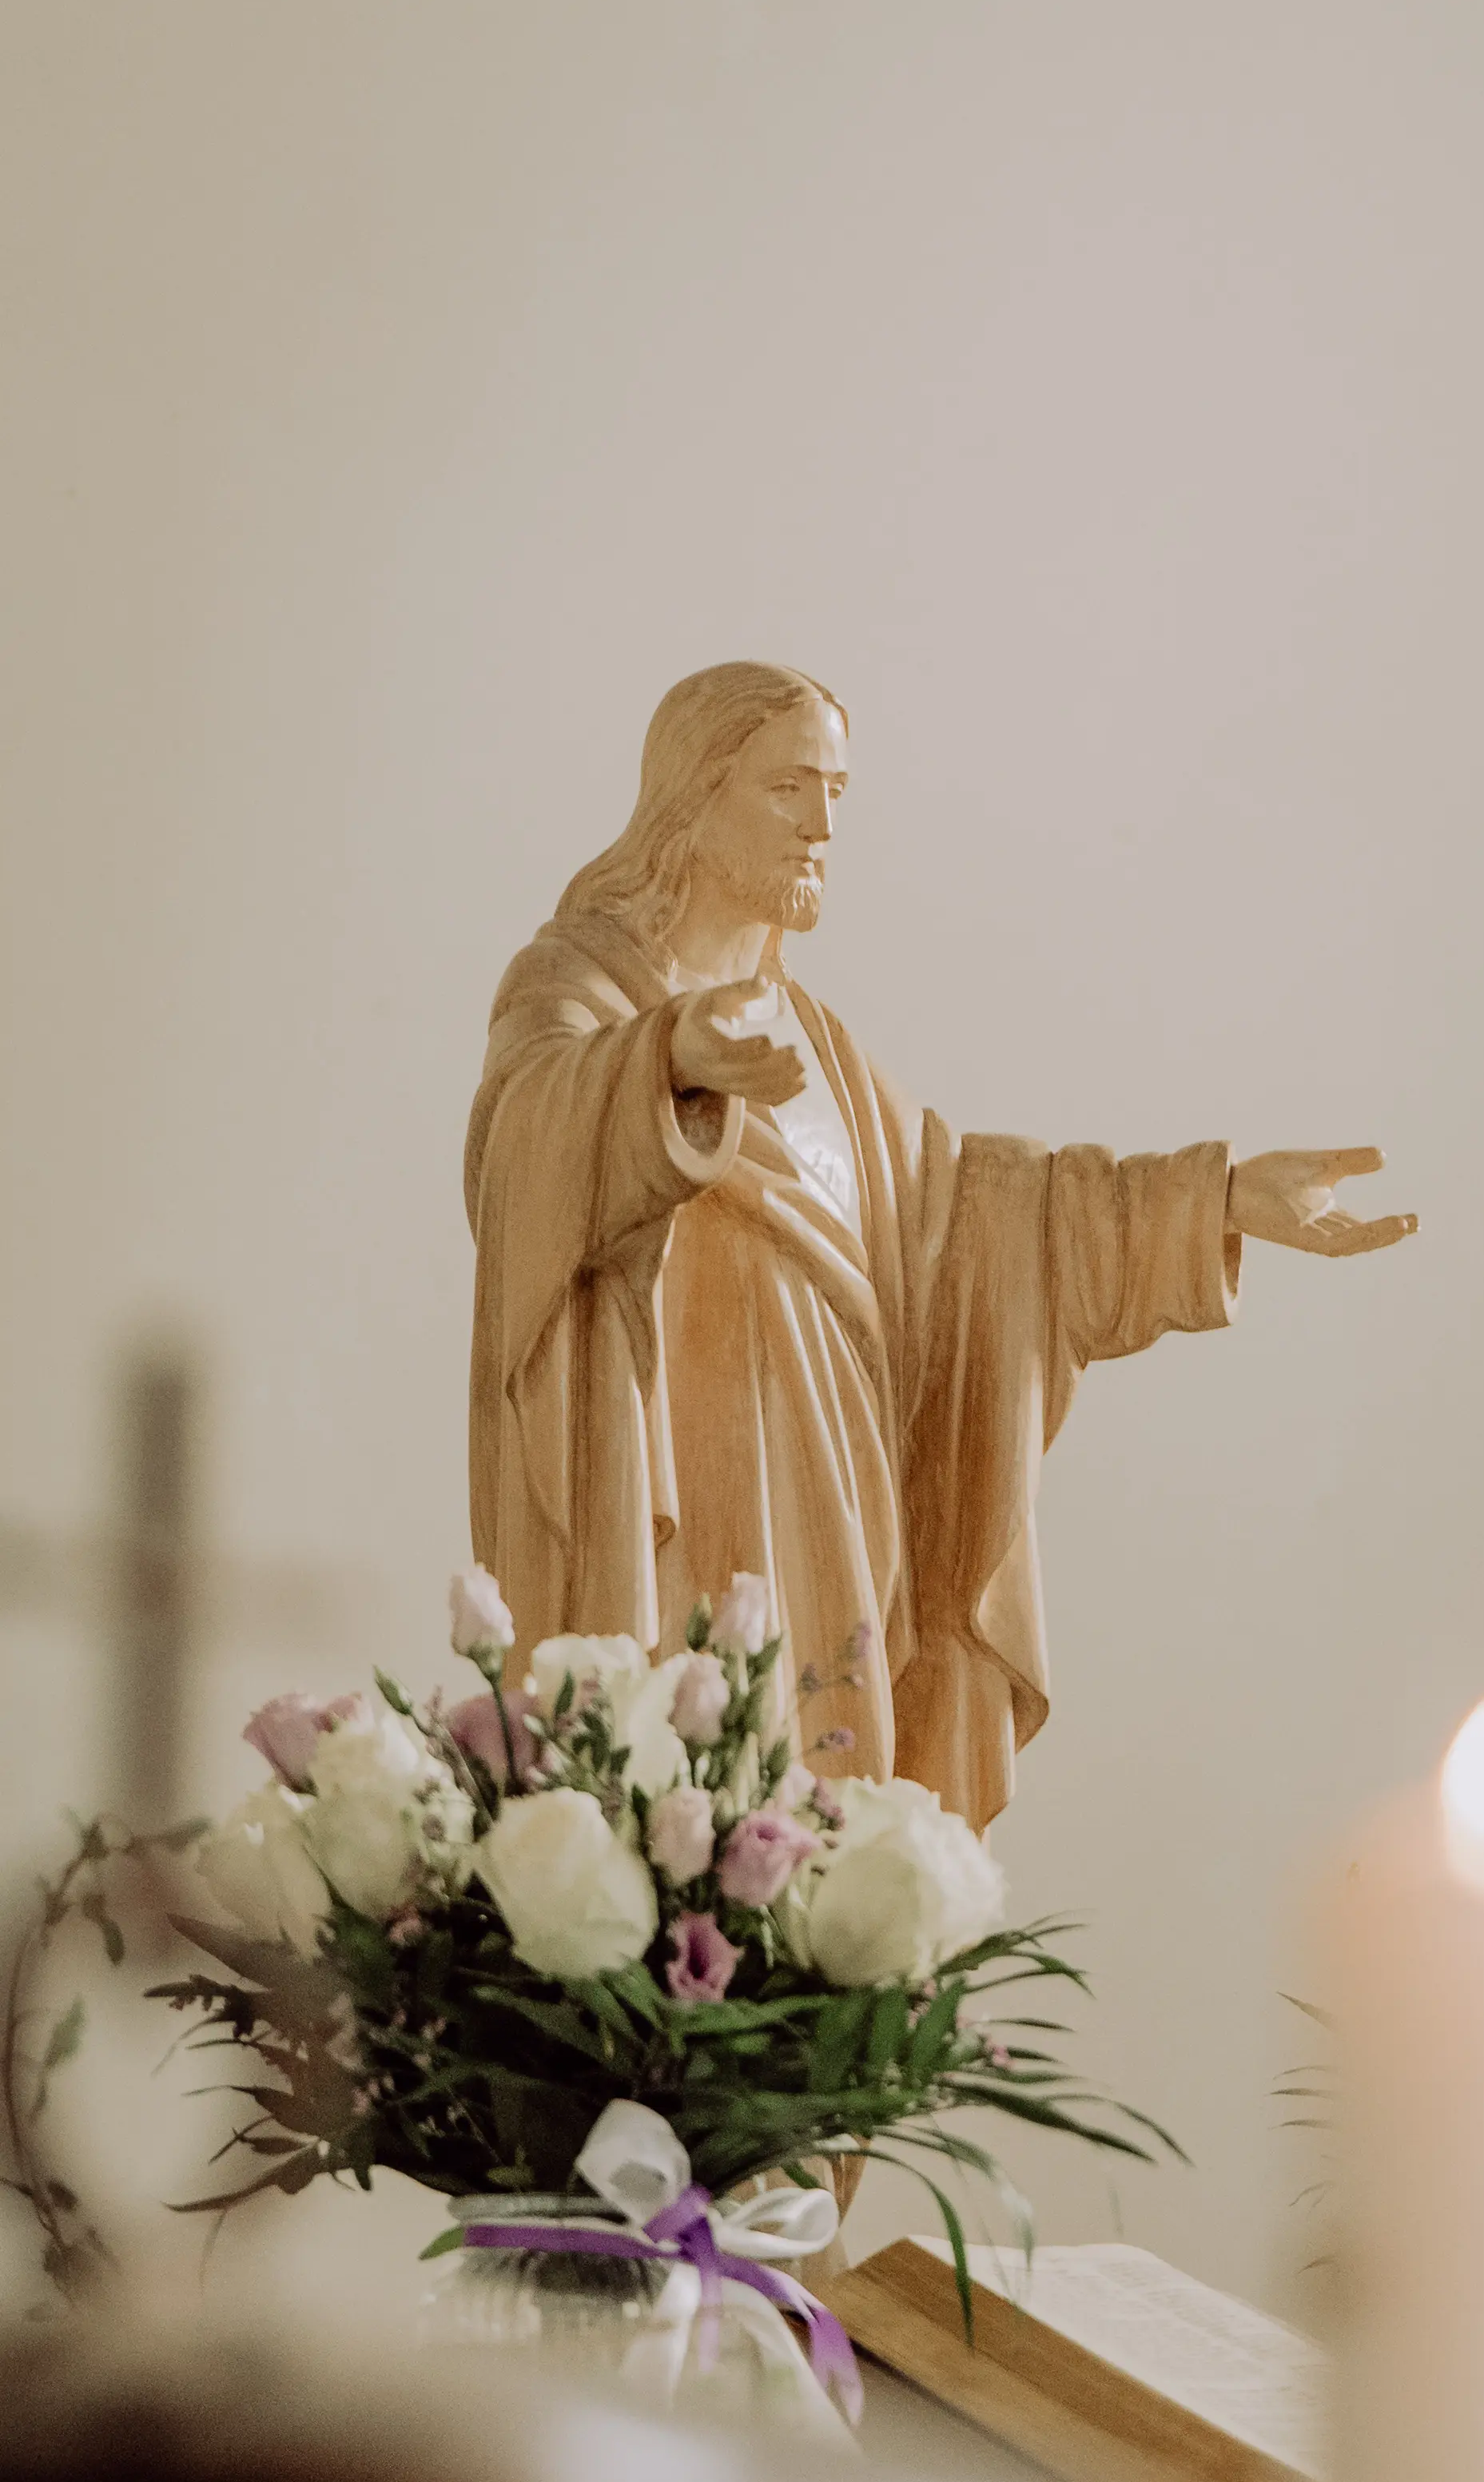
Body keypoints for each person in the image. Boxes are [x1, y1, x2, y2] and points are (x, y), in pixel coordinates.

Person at [465, 659, 1411, 1824]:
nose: (821, 825)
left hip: (835, 1529)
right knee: (679, 1840)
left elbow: (976, 1219)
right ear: (693, 795)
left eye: (837, 795)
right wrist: (661, 1065)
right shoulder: (583, 985)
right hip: (678, 1530)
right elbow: (521, 1139)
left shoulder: (818, 1045)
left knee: (817, 1843)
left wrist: (1207, 1202)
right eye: (788, 788)